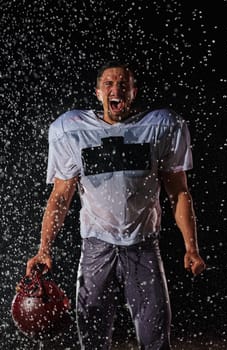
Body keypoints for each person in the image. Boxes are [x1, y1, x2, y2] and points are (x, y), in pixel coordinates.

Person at [26, 60, 206, 350]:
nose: (116, 89)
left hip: (143, 245)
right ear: (98, 93)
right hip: (96, 246)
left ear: (133, 92)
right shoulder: (72, 130)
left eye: (123, 84)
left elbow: (179, 192)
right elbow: (60, 196)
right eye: (108, 84)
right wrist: (43, 249)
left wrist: (191, 247)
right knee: (93, 339)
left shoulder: (161, 127)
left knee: (156, 338)